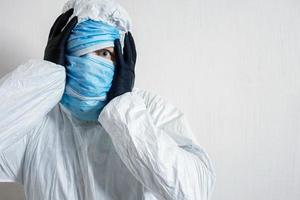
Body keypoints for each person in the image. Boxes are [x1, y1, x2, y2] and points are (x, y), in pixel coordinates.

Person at [0, 0, 216, 199]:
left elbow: (193, 192)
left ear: (123, 59)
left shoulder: (148, 110)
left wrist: (124, 113)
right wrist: (41, 79)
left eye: (104, 53)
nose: (88, 64)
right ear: (61, 56)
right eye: (78, 52)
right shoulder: (37, 117)